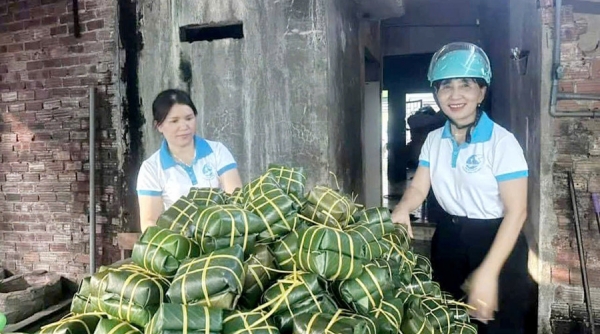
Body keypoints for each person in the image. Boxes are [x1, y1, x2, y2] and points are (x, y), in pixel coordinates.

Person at [390, 42, 531, 333]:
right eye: (445, 86)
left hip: (496, 240)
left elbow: (517, 212)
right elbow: (419, 188)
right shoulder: (433, 140)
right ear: (436, 93)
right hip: (449, 240)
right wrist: (403, 208)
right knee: (450, 321)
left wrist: (488, 273)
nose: (454, 95)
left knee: (497, 326)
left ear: (481, 92)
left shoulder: (502, 143)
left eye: (465, 85)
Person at [136, 89, 243, 232]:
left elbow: (236, 198)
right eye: (174, 121)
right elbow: (149, 222)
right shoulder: (151, 168)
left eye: (189, 118)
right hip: (181, 242)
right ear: (159, 126)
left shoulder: (217, 151)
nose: (184, 126)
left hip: (222, 234)